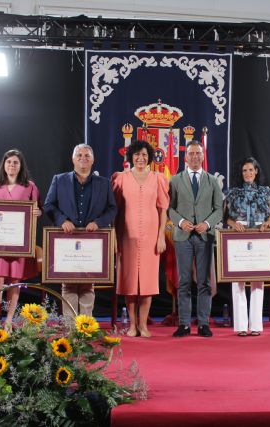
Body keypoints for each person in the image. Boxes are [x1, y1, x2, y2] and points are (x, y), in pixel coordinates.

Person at [43, 143, 117, 317]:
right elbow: (48, 204)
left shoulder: (104, 184)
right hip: (66, 239)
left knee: (87, 284)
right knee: (68, 285)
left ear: (93, 160)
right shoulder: (59, 180)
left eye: (87, 156)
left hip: (92, 240)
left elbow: (112, 209)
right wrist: (62, 220)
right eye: (79, 155)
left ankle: (84, 327)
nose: (83, 158)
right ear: (73, 159)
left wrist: (98, 222)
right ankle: (69, 329)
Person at [0, 149, 41, 331]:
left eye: (15, 162)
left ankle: (9, 321)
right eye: (9, 162)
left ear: (21, 167)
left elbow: (37, 210)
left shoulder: (30, 187)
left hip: (18, 243)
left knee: (14, 281)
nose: (12, 165)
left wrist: (38, 212)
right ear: (3, 165)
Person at [112, 140, 169, 338]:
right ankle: (132, 326)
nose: (140, 158)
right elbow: (114, 210)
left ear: (150, 157)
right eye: (136, 155)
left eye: (144, 155)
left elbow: (163, 210)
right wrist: (113, 238)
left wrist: (161, 236)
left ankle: (143, 325)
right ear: (130, 157)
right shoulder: (120, 178)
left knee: (147, 282)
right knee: (129, 282)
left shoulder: (158, 178)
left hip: (151, 237)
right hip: (126, 236)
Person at [168, 141, 223, 337]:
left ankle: (203, 323)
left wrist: (207, 224)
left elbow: (219, 209)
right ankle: (183, 324)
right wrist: (180, 221)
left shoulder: (212, 180)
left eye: (198, 153)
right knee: (183, 282)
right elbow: (169, 208)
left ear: (202, 156)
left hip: (204, 237)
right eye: (190, 153)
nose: (194, 157)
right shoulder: (175, 180)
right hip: (183, 237)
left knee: (204, 282)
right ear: (185, 157)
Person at [225, 157, 270, 336]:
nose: (248, 173)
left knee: (257, 281)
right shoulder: (233, 192)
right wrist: (232, 223)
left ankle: (255, 326)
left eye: (251, 170)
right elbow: (226, 217)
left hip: (259, 235)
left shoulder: (266, 192)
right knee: (237, 282)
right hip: (238, 235)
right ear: (241, 173)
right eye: (245, 170)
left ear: (256, 171)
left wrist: (267, 224)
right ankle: (240, 326)